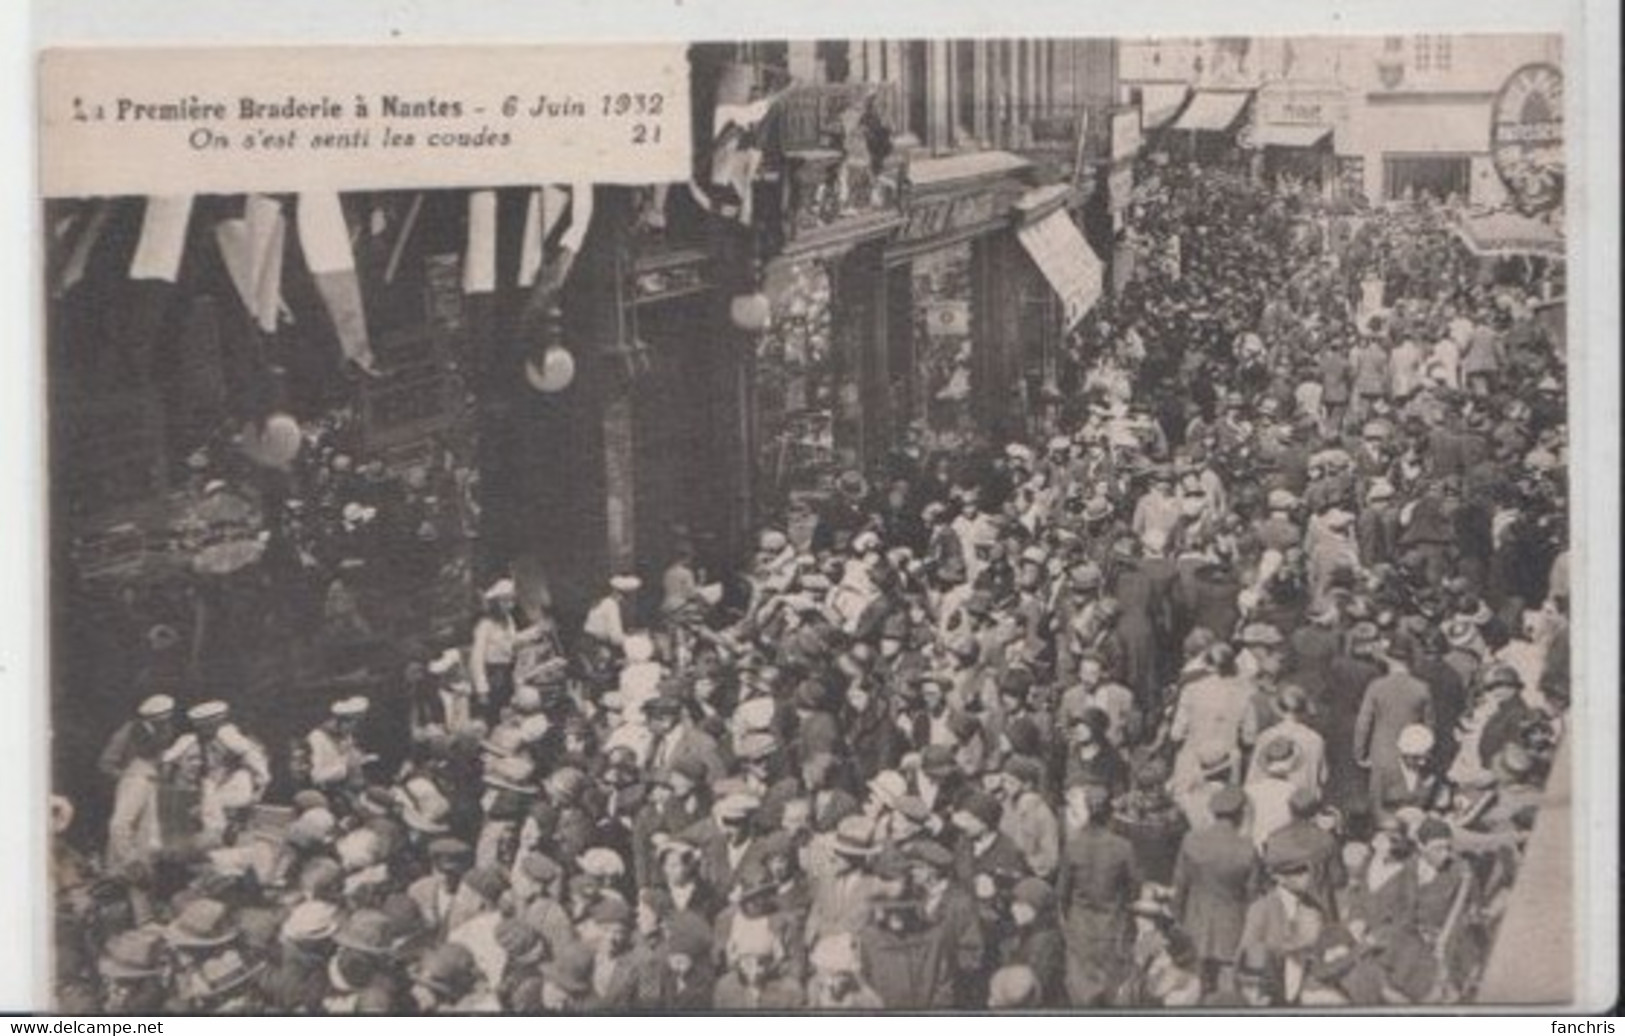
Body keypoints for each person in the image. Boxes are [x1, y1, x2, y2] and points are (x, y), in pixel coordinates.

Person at [100, 694, 176, 872]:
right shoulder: (128, 731)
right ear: (150, 717)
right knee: (122, 824)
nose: (165, 722)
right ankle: (125, 865)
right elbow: (106, 762)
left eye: (166, 717)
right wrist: (128, 776)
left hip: (153, 782)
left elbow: (161, 756)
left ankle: (143, 873)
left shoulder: (165, 730)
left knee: (148, 831)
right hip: (134, 780)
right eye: (161, 718)